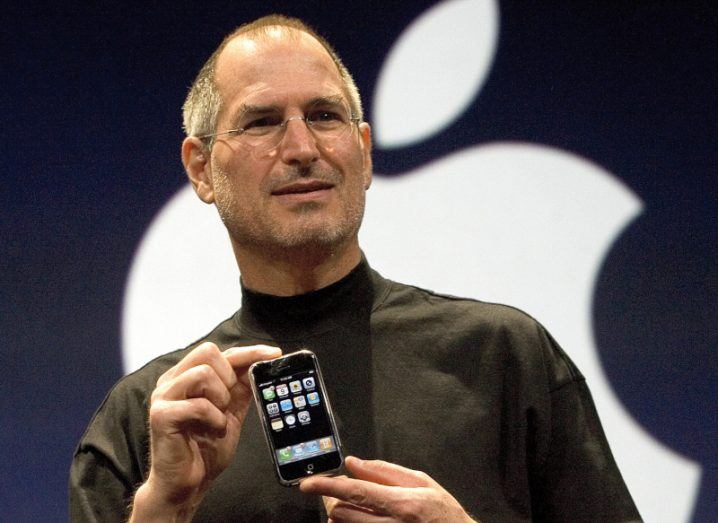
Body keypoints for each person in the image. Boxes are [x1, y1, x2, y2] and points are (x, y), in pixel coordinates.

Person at [70, 14, 642, 522]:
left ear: (364, 152)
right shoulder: (152, 418)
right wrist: (166, 508)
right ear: (200, 168)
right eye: (263, 122)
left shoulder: (504, 356)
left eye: (323, 115)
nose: (301, 148)